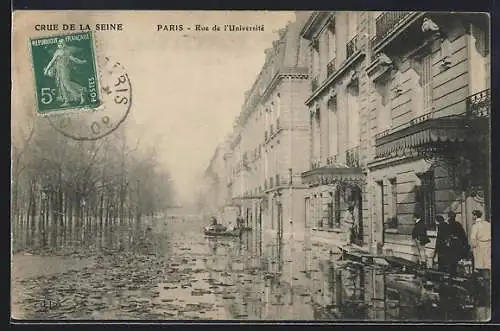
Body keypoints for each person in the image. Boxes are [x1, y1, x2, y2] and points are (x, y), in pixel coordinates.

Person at [469, 210, 491, 276]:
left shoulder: (475, 226)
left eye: (473, 215)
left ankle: (482, 279)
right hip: (488, 245)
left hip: (480, 246)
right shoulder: (487, 224)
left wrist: (473, 247)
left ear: (475, 216)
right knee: (487, 263)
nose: (472, 216)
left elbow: (473, 238)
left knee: (481, 264)